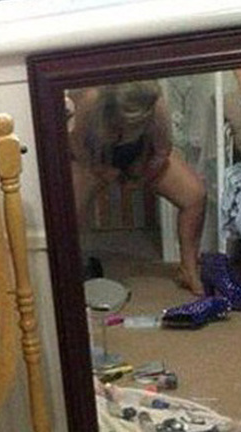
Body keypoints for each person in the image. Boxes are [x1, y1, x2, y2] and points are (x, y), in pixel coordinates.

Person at [67, 80, 207, 295]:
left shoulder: (155, 102)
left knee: (195, 195)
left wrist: (142, 175)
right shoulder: (90, 99)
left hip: (142, 155)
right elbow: (76, 145)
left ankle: (189, 269)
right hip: (94, 158)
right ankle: (72, 270)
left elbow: (162, 150)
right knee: (69, 210)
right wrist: (100, 170)